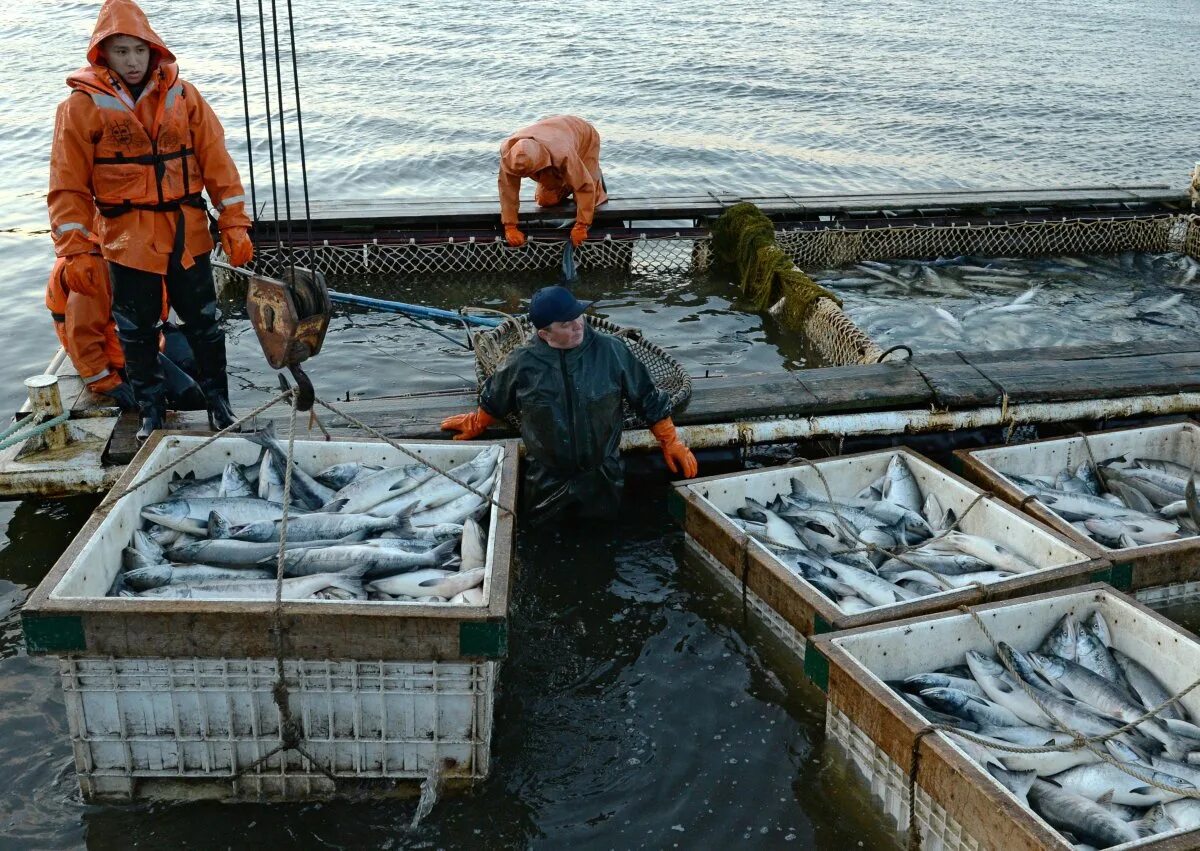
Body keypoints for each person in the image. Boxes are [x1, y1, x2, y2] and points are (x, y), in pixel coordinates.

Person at [47, 0, 255, 441]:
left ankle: (220, 402)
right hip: (126, 238)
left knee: (204, 320)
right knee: (136, 329)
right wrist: (76, 250)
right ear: (103, 54)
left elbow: (217, 161)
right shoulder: (80, 108)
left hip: (187, 233)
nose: (132, 61)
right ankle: (151, 412)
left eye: (139, 50)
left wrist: (234, 220)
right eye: (121, 51)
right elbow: (67, 186)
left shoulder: (186, 96)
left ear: (154, 50)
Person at [440, 286, 698, 523]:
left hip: (603, 475)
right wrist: (477, 423)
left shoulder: (612, 351)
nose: (578, 325)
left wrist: (671, 441)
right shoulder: (521, 362)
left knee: (602, 543)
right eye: (566, 324)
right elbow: (495, 399)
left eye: (579, 316)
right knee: (545, 544)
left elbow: (647, 397)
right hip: (545, 477)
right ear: (544, 333)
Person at [45, 257, 209, 413]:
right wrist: (105, 382)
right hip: (112, 345)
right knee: (187, 392)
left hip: (144, 331)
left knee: (199, 365)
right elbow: (80, 335)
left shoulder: (137, 245)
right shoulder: (95, 266)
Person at [499, 115, 608, 249]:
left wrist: (581, 225)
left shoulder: (563, 153)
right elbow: (508, 190)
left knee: (591, 195)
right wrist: (510, 226)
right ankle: (569, 180)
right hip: (554, 137)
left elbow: (584, 186)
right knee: (546, 200)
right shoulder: (508, 152)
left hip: (583, 135)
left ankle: (593, 177)